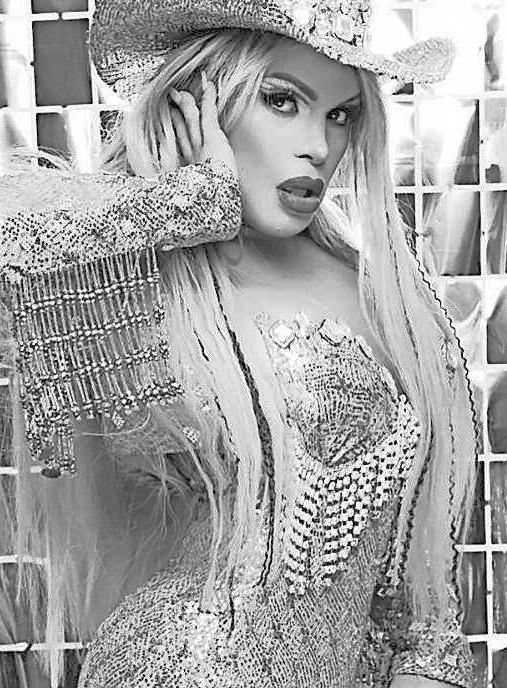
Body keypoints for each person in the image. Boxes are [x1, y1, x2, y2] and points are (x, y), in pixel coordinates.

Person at [0, 1, 481, 687]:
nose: (318, 146)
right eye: (282, 101)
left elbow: (421, 602)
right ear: (201, 99)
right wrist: (194, 204)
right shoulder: (139, 281)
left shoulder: (391, 298)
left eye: (340, 115)